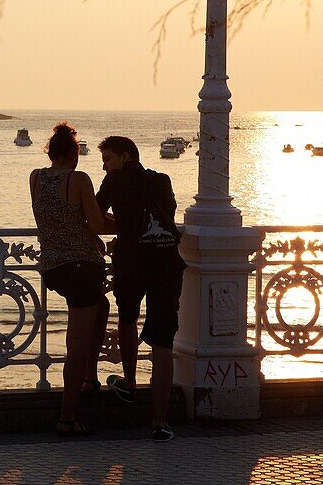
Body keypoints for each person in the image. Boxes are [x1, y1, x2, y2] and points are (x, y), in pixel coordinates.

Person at [95, 135, 184, 443]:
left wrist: (118, 224)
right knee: (162, 343)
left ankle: (130, 384)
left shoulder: (113, 182)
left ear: (125, 158)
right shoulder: (162, 180)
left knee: (128, 318)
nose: (105, 166)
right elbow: (168, 215)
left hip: (131, 264)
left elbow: (93, 218)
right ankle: (160, 422)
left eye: (108, 159)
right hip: (166, 264)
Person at [29, 122, 110, 436]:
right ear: (74, 153)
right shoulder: (79, 179)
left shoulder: (36, 177)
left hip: (52, 268)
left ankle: (90, 376)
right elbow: (96, 224)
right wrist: (126, 222)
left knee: (100, 307)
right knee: (75, 346)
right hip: (81, 268)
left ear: (50, 153)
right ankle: (67, 417)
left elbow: (59, 219)